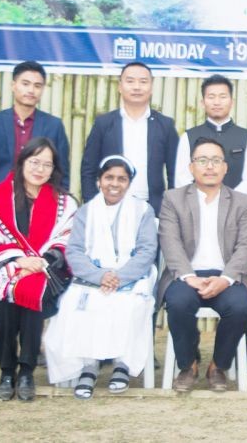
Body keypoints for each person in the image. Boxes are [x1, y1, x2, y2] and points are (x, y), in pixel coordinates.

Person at [0, 137, 78, 401]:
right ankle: (7, 370)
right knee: (7, 294)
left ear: (54, 169)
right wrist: (17, 261)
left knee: (31, 293)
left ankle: (26, 370)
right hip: (8, 266)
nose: (39, 169)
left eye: (46, 164)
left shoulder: (64, 202)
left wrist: (40, 263)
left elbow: (68, 240)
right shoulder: (2, 196)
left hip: (47, 270)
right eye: (34, 162)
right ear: (22, 162)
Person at [43, 155, 157, 398]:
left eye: (122, 179)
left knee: (129, 304)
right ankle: (88, 366)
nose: (114, 184)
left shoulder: (143, 210)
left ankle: (122, 365)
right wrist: (100, 276)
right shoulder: (86, 211)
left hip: (131, 278)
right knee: (78, 306)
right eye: (109, 178)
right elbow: (74, 251)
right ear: (99, 181)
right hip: (92, 278)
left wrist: (119, 277)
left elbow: (147, 251)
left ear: (129, 183)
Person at [158, 137, 247, 392]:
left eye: (215, 160)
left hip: (226, 275)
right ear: (191, 167)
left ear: (226, 167)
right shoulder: (173, 199)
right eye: (202, 160)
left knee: (239, 305)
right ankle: (188, 364)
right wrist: (189, 276)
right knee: (179, 303)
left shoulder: (242, 202)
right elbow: (170, 242)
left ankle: (218, 366)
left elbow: (246, 246)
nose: (209, 166)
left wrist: (225, 279)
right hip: (186, 276)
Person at [0, 60, 70, 221]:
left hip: (40, 213)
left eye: (37, 85)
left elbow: (62, 174)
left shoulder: (54, 126)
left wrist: (56, 212)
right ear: (13, 85)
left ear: (42, 89)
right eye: (25, 83)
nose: (31, 90)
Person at [82, 61, 178, 216]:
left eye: (143, 82)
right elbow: (88, 169)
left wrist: (171, 209)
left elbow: (174, 172)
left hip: (152, 209)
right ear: (120, 87)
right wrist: (92, 204)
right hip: (109, 207)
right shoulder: (104, 123)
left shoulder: (165, 125)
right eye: (130, 81)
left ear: (151, 87)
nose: (137, 87)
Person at [175, 74, 247, 195]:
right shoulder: (188, 137)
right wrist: (202, 201)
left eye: (222, 97)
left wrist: (231, 201)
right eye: (211, 97)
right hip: (196, 208)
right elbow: (182, 178)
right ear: (203, 103)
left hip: (236, 208)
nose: (217, 102)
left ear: (232, 102)